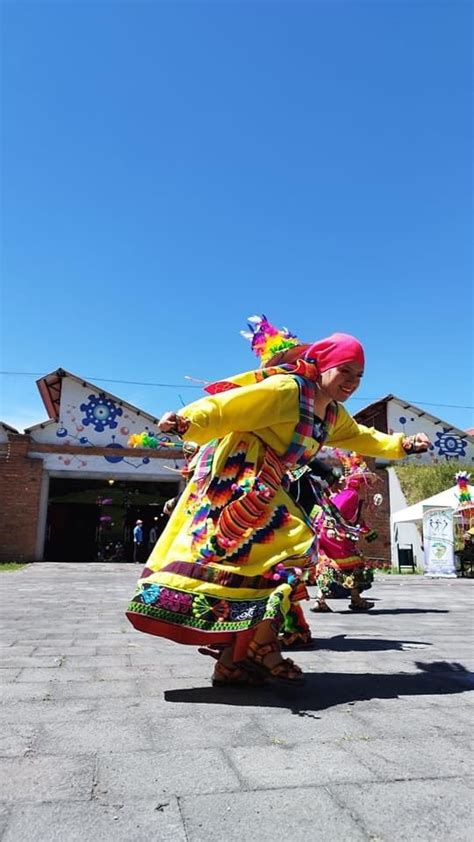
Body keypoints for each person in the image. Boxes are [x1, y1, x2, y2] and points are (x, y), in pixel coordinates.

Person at [126, 316, 430, 687]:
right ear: (323, 365)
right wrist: (186, 421)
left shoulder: (332, 414)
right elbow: (228, 407)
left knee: (262, 566)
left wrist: (402, 444)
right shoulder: (288, 390)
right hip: (240, 476)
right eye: (345, 371)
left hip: (269, 482)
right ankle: (260, 648)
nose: (352, 382)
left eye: (359, 376)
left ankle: (235, 658)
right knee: (290, 543)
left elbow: (364, 437)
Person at [311, 454, 380, 612]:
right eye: (366, 483)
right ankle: (355, 599)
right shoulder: (351, 495)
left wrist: (369, 533)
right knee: (355, 564)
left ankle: (320, 600)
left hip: (327, 534)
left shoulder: (349, 495)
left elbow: (354, 520)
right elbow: (336, 513)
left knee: (329, 564)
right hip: (335, 536)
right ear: (360, 483)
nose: (367, 486)